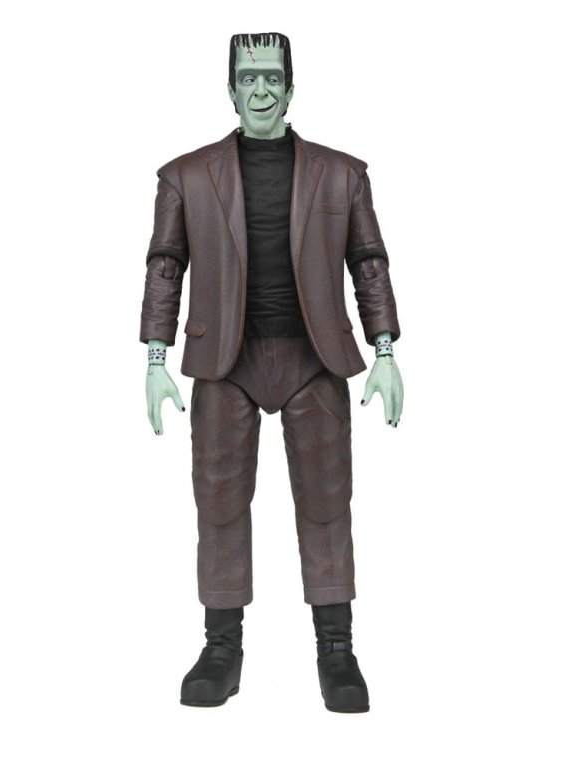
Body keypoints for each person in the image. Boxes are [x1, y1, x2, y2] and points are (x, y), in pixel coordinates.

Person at [138, 32, 403, 713]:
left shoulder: (341, 175)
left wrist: (385, 351)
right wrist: (156, 359)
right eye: (249, 78)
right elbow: (165, 265)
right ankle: (221, 647)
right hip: (225, 360)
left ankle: (336, 648)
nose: (261, 90)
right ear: (230, 89)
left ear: (291, 87)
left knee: (327, 501)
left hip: (315, 357)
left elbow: (369, 262)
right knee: (219, 503)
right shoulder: (185, 178)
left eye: (273, 77)